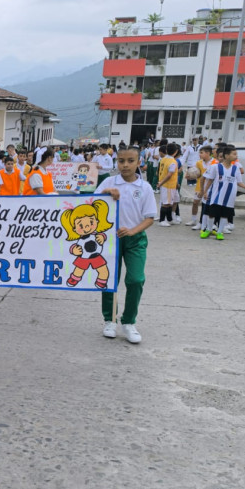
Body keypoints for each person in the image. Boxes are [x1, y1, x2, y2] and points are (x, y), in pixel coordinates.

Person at [94, 147, 156, 344]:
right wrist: (105, 193)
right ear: (116, 162)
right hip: (110, 239)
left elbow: (149, 218)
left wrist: (132, 231)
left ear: (139, 162)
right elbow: (92, 203)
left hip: (135, 239)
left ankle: (129, 322)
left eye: (130, 161)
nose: (125, 165)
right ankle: (109, 320)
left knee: (136, 279)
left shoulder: (144, 187)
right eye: (121, 161)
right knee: (109, 280)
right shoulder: (109, 182)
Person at [200, 145, 245, 241]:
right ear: (227, 156)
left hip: (230, 196)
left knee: (225, 214)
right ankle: (208, 229)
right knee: (212, 213)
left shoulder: (235, 168)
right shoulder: (215, 167)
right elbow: (210, 180)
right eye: (234, 154)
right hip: (217, 195)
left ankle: (219, 232)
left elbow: (239, 182)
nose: (236, 156)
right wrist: (205, 192)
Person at [188, 145, 213, 229]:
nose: (200, 154)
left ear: (208, 153)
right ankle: (193, 219)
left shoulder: (214, 163)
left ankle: (202, 223)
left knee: (205, 205)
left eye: (201, 153)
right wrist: (190, 175)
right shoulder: (199, 163)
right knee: (195, 202)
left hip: (209, 187)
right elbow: (196, 174)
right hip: (199, 186)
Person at [156, 143, 179, 226]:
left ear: (166, 150)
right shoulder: (173, 162)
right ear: (176, 152)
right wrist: (161, 183)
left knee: (169, 202)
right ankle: (162, 220)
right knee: (166, 203)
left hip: (165, 184)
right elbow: (169, 175)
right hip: (168, 185)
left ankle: (169, 219)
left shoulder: (163, 159)